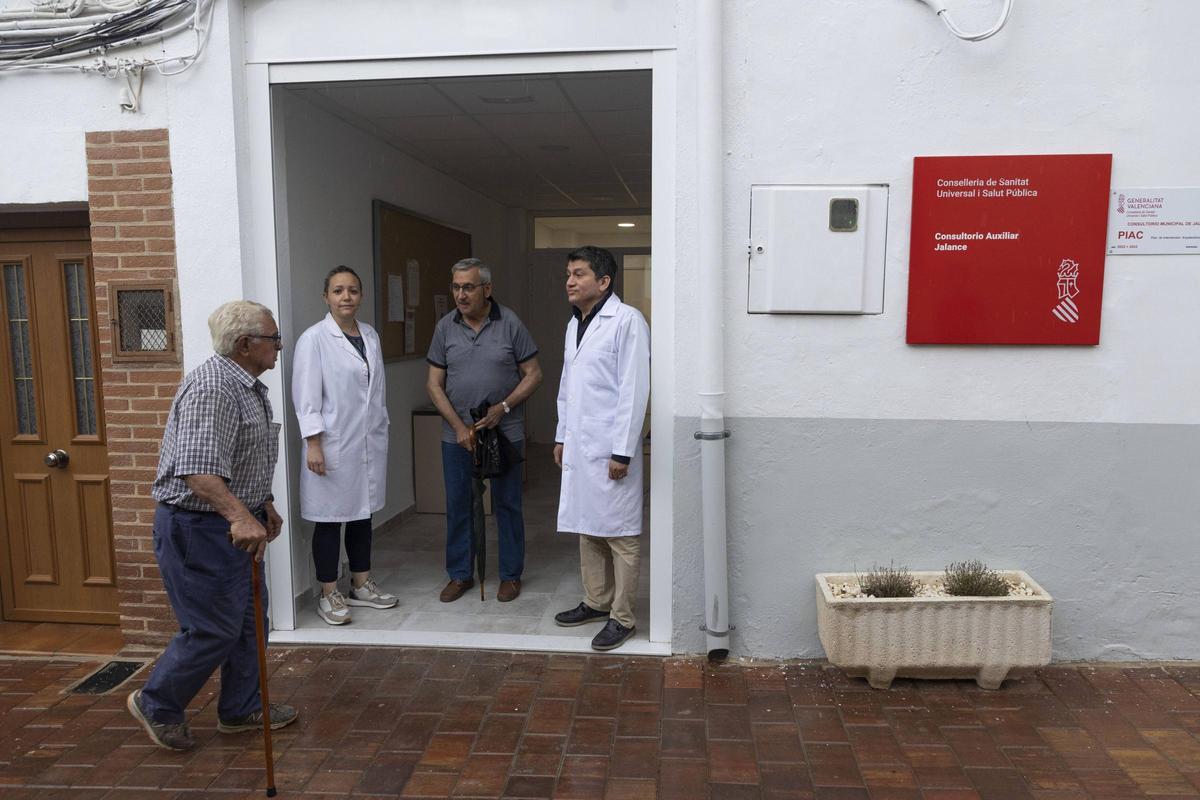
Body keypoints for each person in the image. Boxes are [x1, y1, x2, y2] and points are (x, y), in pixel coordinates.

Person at [127, 300, 298, 751]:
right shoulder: (213, 388)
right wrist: (240, 516)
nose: (279, 345)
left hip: (232, 523)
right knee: (213, 628)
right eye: (273, 338)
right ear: (245, 344)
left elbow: (239, 455)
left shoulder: (246, 385)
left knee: (249, 623)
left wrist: (263, 503)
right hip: (198, 529)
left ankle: (240, 708)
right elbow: (199, 472)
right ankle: (157, 703)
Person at [426, 257, 542, 603]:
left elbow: (534, 374)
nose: (461, 295)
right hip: (458, 436)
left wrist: (503, 407)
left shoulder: (510, 323)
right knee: (460, 505)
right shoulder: (445, 327)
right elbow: (433, 384)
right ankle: (460, 574)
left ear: (486, 289)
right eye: (456, 287)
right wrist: (458, 426)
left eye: (468, 287)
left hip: (504, 433)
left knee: (507, 505)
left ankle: (510, 575)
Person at [552, 246, 650, 651]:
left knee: (620, 534)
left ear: (604, 281)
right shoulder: (574, 324)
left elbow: (634, 389)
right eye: (568, 274)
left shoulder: (627, 321)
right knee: (587, 526)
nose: (570, 281)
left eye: (579, 274)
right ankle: (596, 601)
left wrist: (622, 451)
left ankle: (622, 617)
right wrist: (561, 435)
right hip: (580, 443)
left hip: (610, 447)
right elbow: (567, 386)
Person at [292, 265, 396, 626]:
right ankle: (328, 592)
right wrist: (313, 444)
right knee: (329, 519)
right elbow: (306, 397)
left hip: (367, 441)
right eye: (338, 290)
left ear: (361, 296)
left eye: (352, 290)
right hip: (331, 443)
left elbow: (375, 392)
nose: (346, 297)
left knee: (362, 513)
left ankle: (361, 584)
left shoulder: (370, 335)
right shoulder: (313, 339)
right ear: (326, 297)